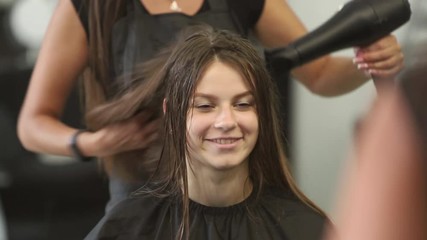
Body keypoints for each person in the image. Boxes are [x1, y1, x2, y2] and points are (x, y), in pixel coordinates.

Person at [16, 0, 404, 213]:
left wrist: (367, 61)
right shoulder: (91, 7)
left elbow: (319, 75)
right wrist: (97, 143)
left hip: (238, 193)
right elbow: (32, 125)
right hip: (141, 200)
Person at [84, 25, 327, 240]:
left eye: (242, 104)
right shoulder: (127, 229)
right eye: (204, 106)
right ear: (171, 113)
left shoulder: (305, 228)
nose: (226, 121)